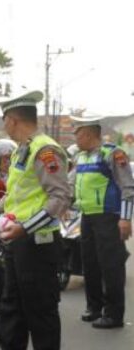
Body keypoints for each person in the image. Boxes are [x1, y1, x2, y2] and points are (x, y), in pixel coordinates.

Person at [0, 90, 70, 350]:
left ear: (12, 119)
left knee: (40, 312)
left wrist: (24, 228)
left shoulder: (45, 150)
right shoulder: (22, 151)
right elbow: (13, 196)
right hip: (16, 241)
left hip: (37, 243)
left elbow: (60, 198)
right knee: (11, 308)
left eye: (4, 118)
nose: (4, 124)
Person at [70, 115, 133, 329]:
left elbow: (127, 188)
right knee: (90, 263)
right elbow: (73, 186)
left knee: (111, 266)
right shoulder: (81, 157)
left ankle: (114, 315)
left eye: (77, 134)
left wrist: (125, 218)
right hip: (87, 217)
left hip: (109, 217)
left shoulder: (113, 154)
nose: (75, 138)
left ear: (88, 134)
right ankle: (94, 307)